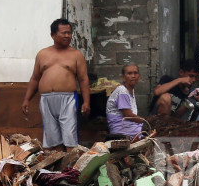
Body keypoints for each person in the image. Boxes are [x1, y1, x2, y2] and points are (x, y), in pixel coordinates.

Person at [21, 18, 91, 150]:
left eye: (69, 33)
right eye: (64, 33)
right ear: (53, 35)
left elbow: (83, 79)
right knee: (52, 137)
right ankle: (58, 162)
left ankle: (71, 161)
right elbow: (35, 78)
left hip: (68, 99)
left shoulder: (76, 55)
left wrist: (86, 102)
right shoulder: (42, 54)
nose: (67, 36)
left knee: (70, 135)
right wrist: (27, 99)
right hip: (46, 99)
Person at [107, 64, 149, 138]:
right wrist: (145, 121)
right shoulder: (122, 91)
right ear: (123, 77)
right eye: (129, 73)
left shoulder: (130, 90)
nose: (133, 76)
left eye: (135, 73)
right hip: (122, 130)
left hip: (129, 127)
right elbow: (128, 115)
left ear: (139, 76)